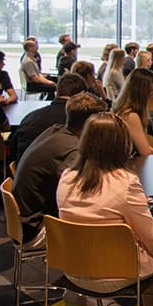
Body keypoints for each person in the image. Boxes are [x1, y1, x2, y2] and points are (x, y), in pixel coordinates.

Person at [56, 112, 153, 306]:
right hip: (113, 273)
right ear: (121, 144)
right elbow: (151, 238)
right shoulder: (125, 184)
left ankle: (82, 297)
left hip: (72, 268)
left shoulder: (67, 177)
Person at [13, 93, 107, 249]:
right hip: (35, 230)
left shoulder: (55, 130)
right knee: (110, 222)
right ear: (92, 123)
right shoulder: (72, 151)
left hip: (23, 221)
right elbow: (83, 193)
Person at [10, 73, 89, 163]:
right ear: (82, 94)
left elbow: (13, 148)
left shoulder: (30, 117)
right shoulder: (78, 122)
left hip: (22, 172)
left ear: (57, 92)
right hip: (57, 174)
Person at [112, 68, 153, 156]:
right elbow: (145, 152)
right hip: (133, 164)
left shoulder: (122, 110)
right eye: (151, 92)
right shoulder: (131, 116)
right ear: (143, 94)